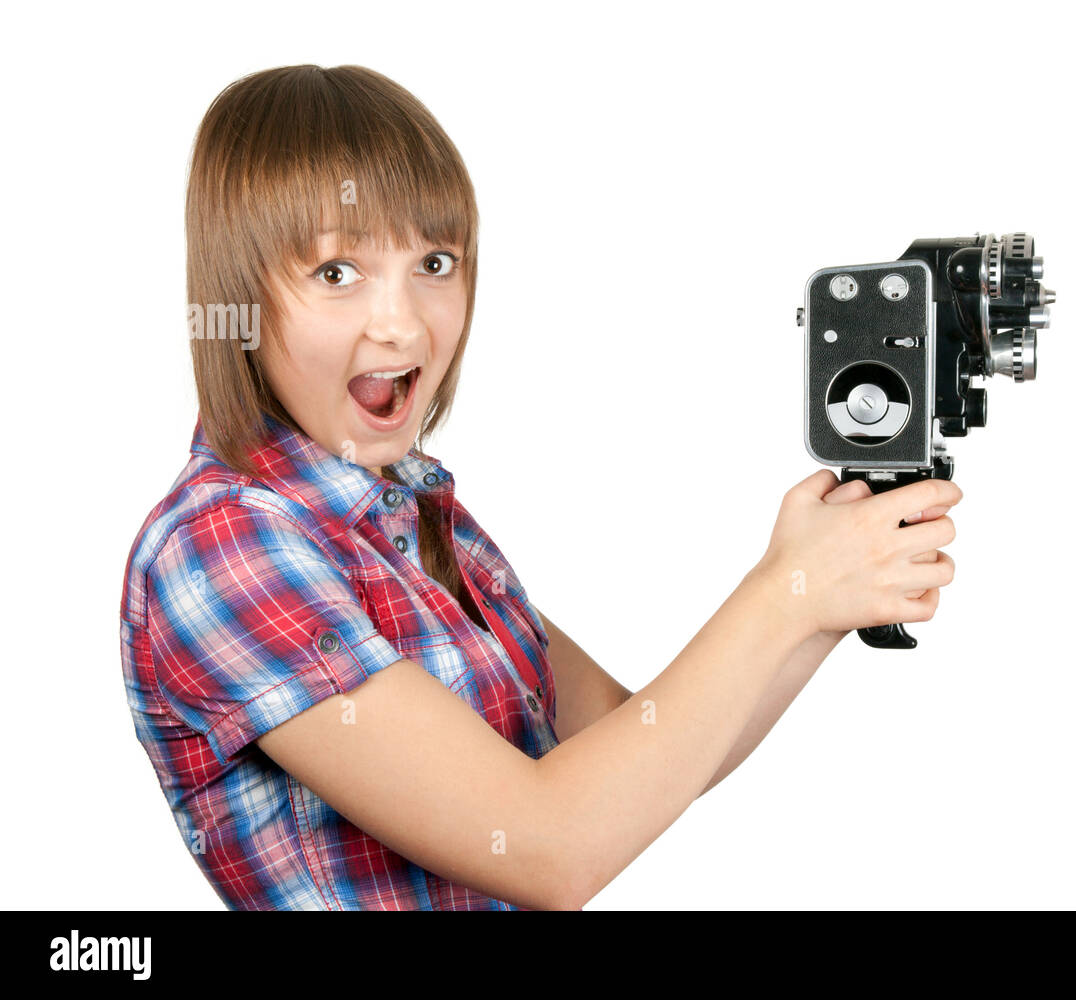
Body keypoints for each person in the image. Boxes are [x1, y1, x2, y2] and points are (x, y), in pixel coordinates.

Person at [118, 63, 961, 911]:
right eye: (337, 273)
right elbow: (550, 846)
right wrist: (786, 594)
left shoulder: (412, 513)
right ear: (240, 299)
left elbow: (636, 745)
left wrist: (827, 590)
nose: (405, 322)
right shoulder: (221, 545)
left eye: (435, 262)